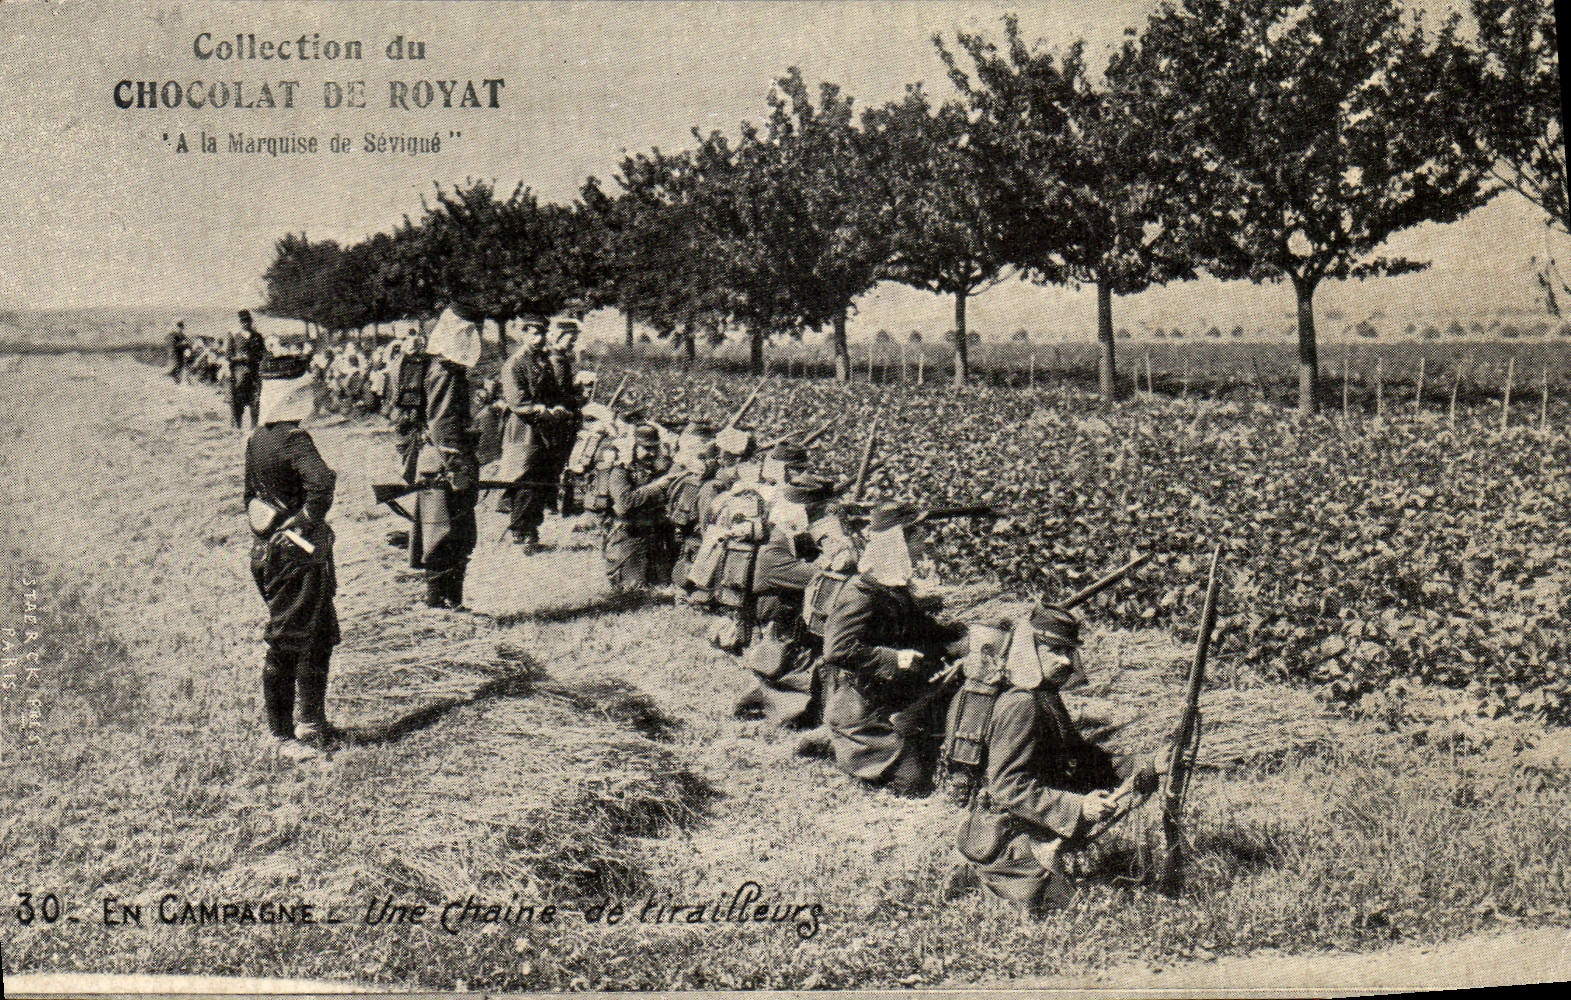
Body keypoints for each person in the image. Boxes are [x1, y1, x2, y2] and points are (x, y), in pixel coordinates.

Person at [952, 603, 1158, 912]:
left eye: (1068, 651)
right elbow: (1008, 787)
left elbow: (1084, 759)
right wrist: (1078, 806)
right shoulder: (1022, 704)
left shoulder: (1044, 695)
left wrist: (1149, 763)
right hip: (1007, 833)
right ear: (1031, 649)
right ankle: (983, 873)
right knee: (1063, 907)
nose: (1065, 661)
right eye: (1054, 650)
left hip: (1028, 821)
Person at [823, 503, 968, 797]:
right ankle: (838, 741)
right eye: (918, 539)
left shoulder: (892, 587)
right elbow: (837, 649)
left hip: (894, 693)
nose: (923, 544)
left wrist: (960, 636)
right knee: (912, 783)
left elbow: (918, 629)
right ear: (898, 543)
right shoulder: (861, 594)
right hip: (863, 705)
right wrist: (895, 658)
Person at [245, 355, 340, 759]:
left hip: (270, 552)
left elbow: (250, 499)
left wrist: (275, 528)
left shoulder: (255, 439)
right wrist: (303, 521)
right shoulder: (294, 439)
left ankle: (311, 724)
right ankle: (283, 736)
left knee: (314, 633)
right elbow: (321, 484)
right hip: (299, 557)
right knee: (290, 639)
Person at [735, 476, 858, 728]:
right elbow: (823, 578)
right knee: (783, 675)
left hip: (783, 624)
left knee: (781, 673)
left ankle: (761, 702)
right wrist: (837, 548)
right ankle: (770, 711)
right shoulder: (774, 551)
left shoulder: (782, 539)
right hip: (779, 628)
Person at [411, 310, 482, 609]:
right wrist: (456, 466)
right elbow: (441, 422)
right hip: (445, 462)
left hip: (441, 460)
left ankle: (448, 600)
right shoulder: (444, 372)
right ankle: (440, 601)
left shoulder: (443, 369)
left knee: (451, 532)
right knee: (444, 533)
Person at [498, 318, 575, 550]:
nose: (538, 339)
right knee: (524, 478)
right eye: (532, 334)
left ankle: (532, 529)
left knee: (541, 479)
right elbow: (518, 401)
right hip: (524, 430)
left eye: (541, 334)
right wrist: (542, 410)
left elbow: (554, 392)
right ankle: (519, 531)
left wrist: (559, 406)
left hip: (545, 428)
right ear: (523, 335)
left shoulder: (543, 362)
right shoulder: (515, 364)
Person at [603, 423, 675, 593]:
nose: (651, 453)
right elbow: (624, 504)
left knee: (665, 582)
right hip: (629, 535)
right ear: (634, 447)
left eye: (654, 448)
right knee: (634, 587)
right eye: (646, 448)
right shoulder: (621, 471)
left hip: (655, 535)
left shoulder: (658, 469)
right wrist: (656, 488)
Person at [228, 309, 268, 430]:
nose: (245, 323)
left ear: (251, 321)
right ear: (240, 323)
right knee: (237, 400)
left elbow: (263, 352)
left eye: (247, 321)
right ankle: (237, 427)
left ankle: (254, 428)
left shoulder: (257, 336)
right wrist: (240, 358)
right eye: (243, 321)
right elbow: (228, 356)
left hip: (254, 372)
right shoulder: (234, 336)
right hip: (239, 371)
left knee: (255, 401)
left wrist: (257, 357)